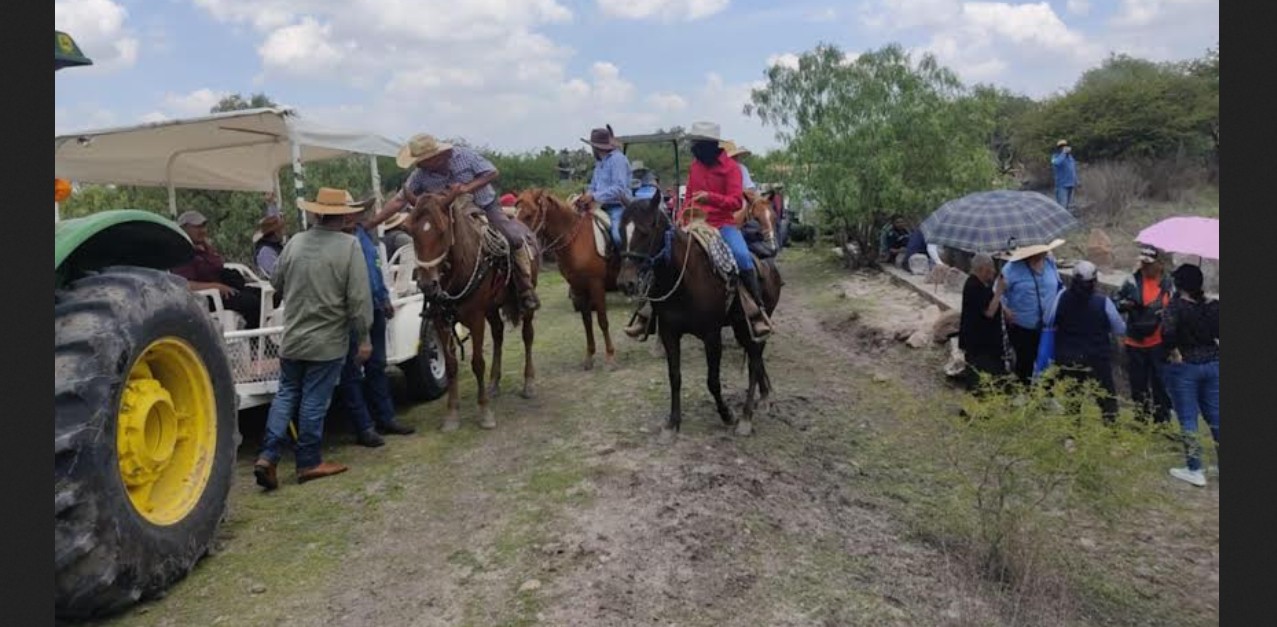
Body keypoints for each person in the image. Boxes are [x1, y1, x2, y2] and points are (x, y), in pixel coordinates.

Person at [253, 188, 372, 490]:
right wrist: (364, 337)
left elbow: (275, 281)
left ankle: (268, 455)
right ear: (344, 215)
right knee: (314, 401)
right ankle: (308, 462)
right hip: (327, 339)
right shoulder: (349, 246)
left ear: (316, 213)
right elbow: (358, 297)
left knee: (286, 394)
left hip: (292, 337)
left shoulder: (294, 242)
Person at [627, 121, 771, 339]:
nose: (694, 147)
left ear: (711, 145)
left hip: (723, 224)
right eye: (694, 142)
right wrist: (681, 216)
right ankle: (646, 311)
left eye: (698, 143)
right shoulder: (695, 166)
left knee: (742, 257)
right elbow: (690, 197)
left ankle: (756, 311)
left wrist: (710, 198)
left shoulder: (731, 169)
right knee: (662, 252)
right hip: (694, 222)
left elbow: (734, 202)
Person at [369, 134, 540, 311]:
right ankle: (443, 295)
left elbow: (492, 172)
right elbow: (399, 201)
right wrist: (373, 222)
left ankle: (525, 286)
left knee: (512, 237)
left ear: (436, 157)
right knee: (433, 244)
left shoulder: (464, 156)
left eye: (422, 161)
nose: (419, 165)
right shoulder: (420, 174)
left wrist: (466, 188)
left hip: (483, 205)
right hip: (448, 214)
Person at [335, 198, 415, 448]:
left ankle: (384, 418)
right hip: (351, 312)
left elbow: (374, 270)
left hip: (375, 307)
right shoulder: (339, 242)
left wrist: (383, 297)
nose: (355, 217)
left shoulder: (362, 234)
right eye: (350, 213)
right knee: (352, 370)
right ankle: (364, 426)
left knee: (376, 365)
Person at [1043, 260, 1126, 422]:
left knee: (1073, 397)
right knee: (1106, 397)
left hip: (1069, 356)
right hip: (1097, 356)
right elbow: (1120, 328)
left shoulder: (1061, 298)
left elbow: (1048, 320)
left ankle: (1071, 437)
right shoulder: (1103, 302)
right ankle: (1112, 433)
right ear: (1094, 281)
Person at [1160, 264, 1219, 487]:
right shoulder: (1213, 306)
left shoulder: (1175, 307)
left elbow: (1167, 335)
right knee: (1216, 416)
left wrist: (1174, 352)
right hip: (1213, 362)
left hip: (1186, 364)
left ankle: (1195, 468)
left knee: (1187, 418)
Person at [171, 210, 263, 329]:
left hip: (223, 290)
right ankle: (254, 341)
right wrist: (215, 286)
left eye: (204, 226)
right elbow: (184, 284)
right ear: (184, 229)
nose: (203, 230)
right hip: (204, 298)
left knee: (265, 295)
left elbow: (218, 268)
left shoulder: (206, 248)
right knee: (250, 302)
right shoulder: (181, 253)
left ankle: (264, 338)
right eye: (197, 227)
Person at [1115, 246, 1174, 424]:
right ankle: (1141, 418)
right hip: (1135, 342)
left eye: (1148, 264)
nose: (1144, 267)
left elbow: (1176, 308)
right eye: (1142, 263)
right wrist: (1127, 304)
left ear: (1160, 264)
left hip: (1158, 342)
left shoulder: (1169, 284)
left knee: (1160, 384)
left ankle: (1162, 420)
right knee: (1138, 384)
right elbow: (1115, 302)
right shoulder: (1131, 282)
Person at [1000, 240, 1065, 384]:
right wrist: (1005, 309)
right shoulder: (1012, 269)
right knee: (1025, 362)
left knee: (1048, 363)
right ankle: (1024, 394)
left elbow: (1059, 286)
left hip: (1048, 327)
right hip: (1023, 327)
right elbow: (997, 292)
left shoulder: (1050, 264)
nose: (1042, 254)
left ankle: (1047, 396)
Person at [574, 125, 632, 252]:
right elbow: (593, 186)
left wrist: (594, 196)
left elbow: (619, 189)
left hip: (618, 207)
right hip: (599, 206)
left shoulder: (617, 160)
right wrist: (586, 197)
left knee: (617, 236)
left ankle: (627, 265)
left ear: (595, 147)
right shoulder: (600, 163)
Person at [959, 253, 1008, 391]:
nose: (994, 271)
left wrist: (1005, 310)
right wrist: (999, 292)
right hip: (979, 344)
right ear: (983, 269)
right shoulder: (973, 286)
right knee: (979, 380)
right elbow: (989, 312)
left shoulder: (983, 285)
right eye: (991, 268)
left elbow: (991, 302)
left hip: (986, 343)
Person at [253, 214, 286, 279]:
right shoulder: (265, 252)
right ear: (275, 233)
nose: (283, 233)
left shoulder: (276, 247)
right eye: (281, 229)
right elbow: (278, 275)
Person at [1051, 139, 1078, 212]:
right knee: (1062, 207)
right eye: (1062, 147)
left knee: (1068, 206)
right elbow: (1056, 163)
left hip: (1071, 184)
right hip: (1061, 186)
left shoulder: (1070, 157)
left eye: (1065, 146)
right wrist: (1063, 153)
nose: (1064, 148)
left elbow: (1073, 169)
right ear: (1058, 148)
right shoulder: (1055, 157)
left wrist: (1077, 181)